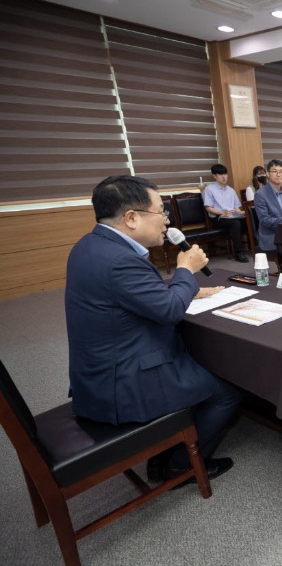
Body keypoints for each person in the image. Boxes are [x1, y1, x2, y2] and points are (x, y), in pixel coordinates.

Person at [65, 175, 240, 483]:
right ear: (131, 217)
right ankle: (182, 465)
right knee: (226, 391)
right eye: (161, 211)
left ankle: (165, 454)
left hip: (97, 371)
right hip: (124, 382)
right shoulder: (120, 260)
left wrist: (184, 289)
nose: (166, 220)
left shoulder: (90, 245)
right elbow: (169, 311)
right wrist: (185, 270)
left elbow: (129, 295)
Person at [202, 164, 248, 263]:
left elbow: (237, 208)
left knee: (248, 219)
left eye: (225, 174)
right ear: (214, 176)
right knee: (235, 224)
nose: (224, 177)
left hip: (232, 216)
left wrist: (243, 213)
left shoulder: (231, 190)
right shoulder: (209, 189)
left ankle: (255, 246)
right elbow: (208, 208)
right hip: (219, 217)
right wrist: (223, 212)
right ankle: (238, 253)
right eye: (221, 174)